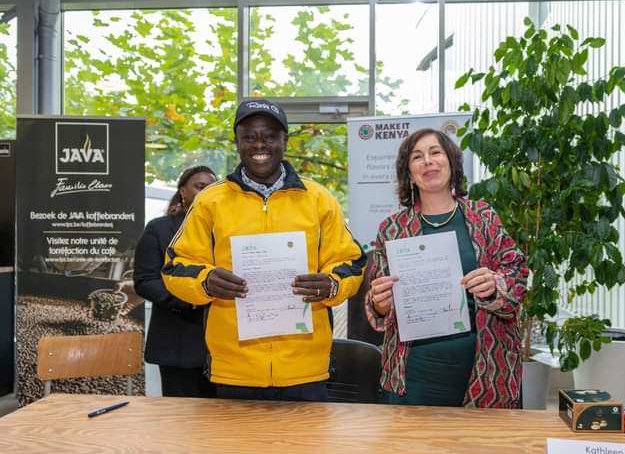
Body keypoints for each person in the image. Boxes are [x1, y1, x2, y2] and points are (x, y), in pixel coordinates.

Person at [162, 99, 366, 402]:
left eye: (270, 136)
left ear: (285, 140)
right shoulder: (210, 201)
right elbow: (175, 266)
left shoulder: (318, 199)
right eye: (250, 136)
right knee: (237, 451)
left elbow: (351, 261)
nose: (260, 144)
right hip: (235, 369)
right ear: (237, 142)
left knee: (306, 450)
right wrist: (205, 281)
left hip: (305, 369)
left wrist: (332, 283)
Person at [365, 128, 529, 408]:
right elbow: (379, 301)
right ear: (408, 172)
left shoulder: (484, 217)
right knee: (411, 451)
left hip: (485, 371)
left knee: (478, 451)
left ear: (451, 162)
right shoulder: (391, 229)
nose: (428, 161)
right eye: (417, 157)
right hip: (413, 373)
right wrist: (379, 303)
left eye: (435, 152)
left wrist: (494, 287)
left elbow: (517, 274)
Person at [134, 165, 218, 398]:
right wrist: (189, 298)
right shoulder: (160, 229)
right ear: (183, 191)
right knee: (180, 421)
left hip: (224, 348)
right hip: (178, 339)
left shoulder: (226, 229)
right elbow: (145, 280)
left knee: (223, 422)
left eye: (212, 187)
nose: (206, 191)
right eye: (200, 186)